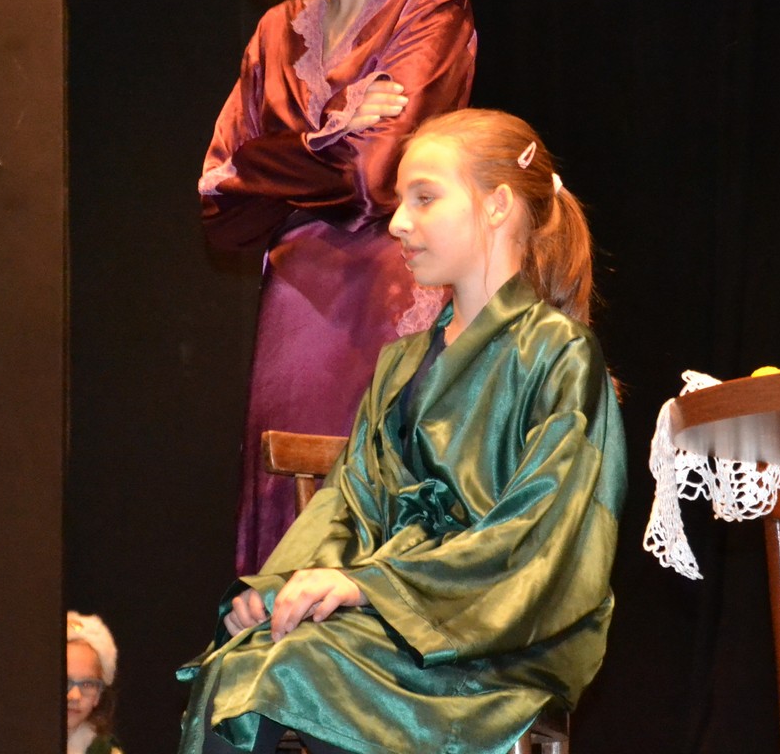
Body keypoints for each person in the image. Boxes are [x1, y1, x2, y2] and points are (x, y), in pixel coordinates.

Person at [177, 109, 625, 754]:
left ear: (497, 205)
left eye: (425, 198)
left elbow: (544, 536)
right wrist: (281, 585)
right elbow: (349, 503)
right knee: (237, 663)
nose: (398, 223)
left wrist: (369, 586)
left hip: (496, 635)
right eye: (400, 201)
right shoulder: (402, 363)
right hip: (392, 613)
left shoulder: (558, 353)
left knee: (299, 671)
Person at [201, 0, 478, 572]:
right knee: (289, 537)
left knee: (381, 533)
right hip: (296, 319)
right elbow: (220, 206)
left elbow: (378, 174)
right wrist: (335, 128)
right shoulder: (275, 32)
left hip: (395, 301)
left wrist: (279, 160)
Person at [67, 611, 119, 754]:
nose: (74, 696)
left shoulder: (105, 750)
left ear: (98, 695)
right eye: (65, 682)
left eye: (87, 684)